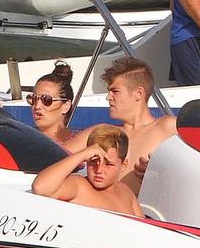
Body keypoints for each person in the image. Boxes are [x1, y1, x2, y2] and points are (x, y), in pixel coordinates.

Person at [73, 56, 178, 193]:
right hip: (107, 210)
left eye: (115, 91)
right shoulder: (102, 133)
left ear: (138, 93)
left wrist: (161, 174)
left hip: (149, 211)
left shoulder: (168, 127)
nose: (108, 97)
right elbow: (53, 157)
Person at [31, 125, 142, 217]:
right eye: (93, 162)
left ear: (123, 165)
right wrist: (82, 155)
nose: (99, 170)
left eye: (108, 164)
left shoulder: (126, 193)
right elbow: (40, 188)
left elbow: (145, 228)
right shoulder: (78, 186)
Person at [27, 62, 81, 151]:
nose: (37, 106)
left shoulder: (81, 142)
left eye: (46, 100)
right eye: (34, 99)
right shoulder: (23, 137)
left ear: (66, 106)